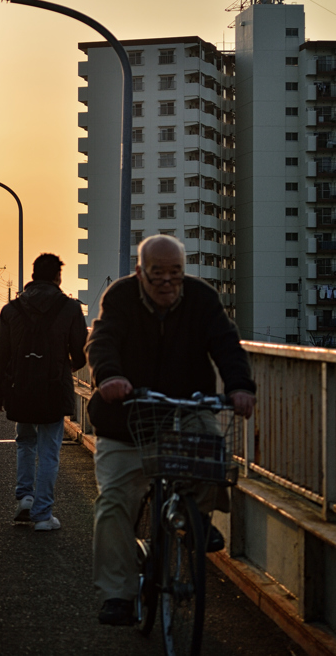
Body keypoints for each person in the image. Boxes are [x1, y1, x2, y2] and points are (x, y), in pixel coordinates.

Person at [85, 234, 256, 625]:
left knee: (213, 449)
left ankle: (197, 518)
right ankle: (118, 594)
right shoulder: (121, 297)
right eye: (156, 274)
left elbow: (226, 343)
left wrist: (240, 386)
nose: (166, 282)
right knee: (113, 503)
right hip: (126, 415)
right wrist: (109, 377)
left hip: (185, 404)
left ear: (183, 272)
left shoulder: (202, 298)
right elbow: (102, 338)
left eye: (174, 274)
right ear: (140, 273)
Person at [0, 253, 88, 531]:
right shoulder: (70, 308)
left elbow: (0, 355)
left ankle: (25, 499)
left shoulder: (11, 310)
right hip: (54, 388)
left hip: (19, 387)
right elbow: (81, 354)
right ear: (58, 277)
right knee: (49, 451)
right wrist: (63, 365)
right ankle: (43, 515)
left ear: (33, 275)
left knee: (25, 441)